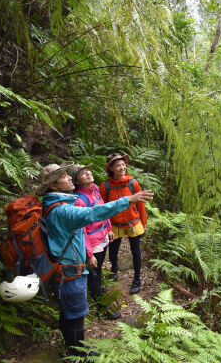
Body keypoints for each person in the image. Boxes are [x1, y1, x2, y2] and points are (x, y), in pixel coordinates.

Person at [35, 162, 153, 358]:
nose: (69, 178)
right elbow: (92, 213)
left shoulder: (55, 204)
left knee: (69, 314)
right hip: (70, 272)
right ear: (53, 186)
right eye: (64, 176)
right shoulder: (61, 210)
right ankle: (78, 355)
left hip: (63, 269)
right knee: (76, 316)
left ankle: (74, 350)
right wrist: (128, 200)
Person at [70, 164, 121, 321]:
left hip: (101, 236)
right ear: (77, 181)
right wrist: (89, 254)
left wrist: (109, 228)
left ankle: (99, 291)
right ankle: (101, 307)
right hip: (92, 243)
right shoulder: (79, 200)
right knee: (93, 273)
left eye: (88, 171)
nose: (88, 174)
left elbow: (103, 209)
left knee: (97, 271)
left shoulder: (95, 189)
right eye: (83, 173)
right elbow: (81, 230)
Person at [100, 153, 146, 294]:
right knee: (113, 252)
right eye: (118, 165)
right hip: (114, 224)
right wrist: (106, 227)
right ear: (111, 168)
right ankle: (114, 269)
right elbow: (102, 208)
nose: (122, 167)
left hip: (133, 222)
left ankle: (136, 279)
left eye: (123, 164)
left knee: (136, 252)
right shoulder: (105, 186)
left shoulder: (133, 183)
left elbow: (141, 205)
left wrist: (143, 223)